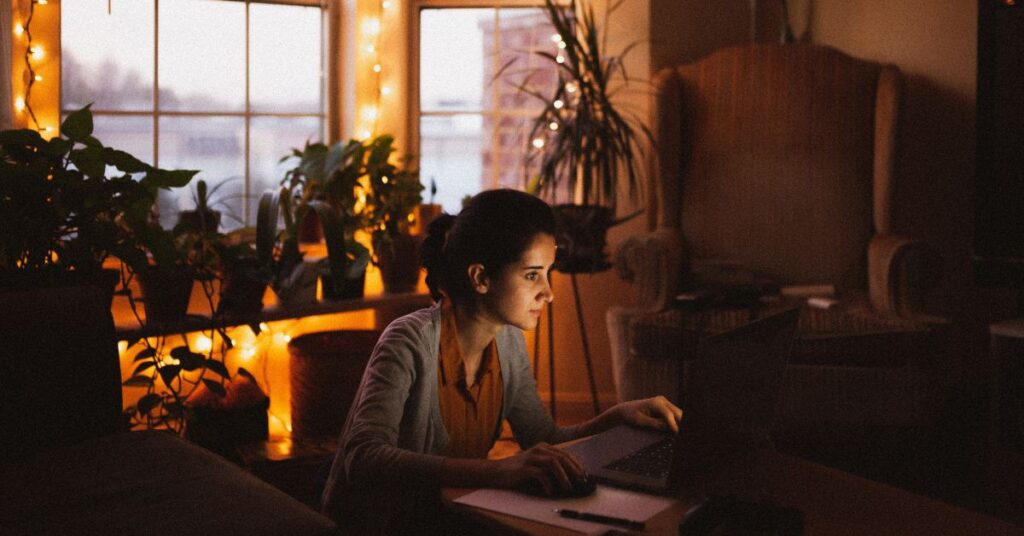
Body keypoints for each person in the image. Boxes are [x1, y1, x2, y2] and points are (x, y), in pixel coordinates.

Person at [321, 189, 681, 533]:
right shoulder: (408, 341)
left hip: (448, 518)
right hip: (386, 527)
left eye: (547, 273)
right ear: (480, 278)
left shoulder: (507, 342)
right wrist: (495, 471)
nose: (549, 293)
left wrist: (615, 418)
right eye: (531, 275)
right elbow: (363, 457)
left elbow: (543, 438)